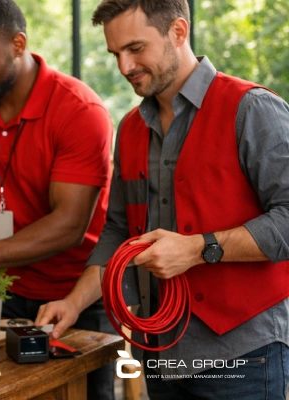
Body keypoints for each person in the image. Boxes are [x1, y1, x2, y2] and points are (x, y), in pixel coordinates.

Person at [35, 1, 289, 398]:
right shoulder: (132, 128)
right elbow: (120, 230)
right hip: (163, 352)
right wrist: (73, 302)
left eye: (135, 48)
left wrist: (197, 249)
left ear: (178, 32)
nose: (124, 66)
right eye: (115, 53)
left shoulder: (251, 108)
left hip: (242, 354)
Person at [0, 1, 115, 398]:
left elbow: (69, 225)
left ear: (18, 44)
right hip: (6, 288)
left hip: (80, 292)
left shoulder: (79, 109)